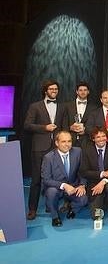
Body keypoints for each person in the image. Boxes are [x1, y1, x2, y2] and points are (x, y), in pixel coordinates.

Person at [23, 79, 65, 220]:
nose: (54, 91)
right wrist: (44, 128)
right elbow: (27, 125)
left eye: (56, 89)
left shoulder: (62, 107)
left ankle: (50, 205)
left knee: (54, 179)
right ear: (45, 91)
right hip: (39, 147)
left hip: (56, 148)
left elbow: (64, 127)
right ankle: (32, 209)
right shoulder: (35, 106)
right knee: (36, 179)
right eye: (51, 89)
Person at [41, 131, 88, 227]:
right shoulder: (48, 157)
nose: (67, 144)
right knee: (51, 192)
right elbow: (46, 179)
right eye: (63, 141)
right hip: (56, 187)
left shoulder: (78, 152)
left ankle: (72, 208)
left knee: (83, 199)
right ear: (57, 143)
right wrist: (64, 186)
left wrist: (82, 185)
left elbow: (83, 171)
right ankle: (55, 216)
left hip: (73, 185)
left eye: (69, 141)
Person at [79, 127, 108, 224]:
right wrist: (102, 174)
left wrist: (103, 181)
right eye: (98, 137)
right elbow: (83, 171)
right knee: (95, 216)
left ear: (107, 137)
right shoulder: (86, 150)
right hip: (94, 182)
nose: (101, 139)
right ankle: (104, 201)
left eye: (103, 136)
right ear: (93, 139)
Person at [62, 81, 97, 147]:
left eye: (85, 90)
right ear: (77, 92)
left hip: (87, 141)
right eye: (80, 90)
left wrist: (85, 130)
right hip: (69, 140)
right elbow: (63, 123)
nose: (83, 92)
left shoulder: (94, 108)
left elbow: (95, 125)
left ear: (88, 92)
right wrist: (70, 128)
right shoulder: (67, 106)